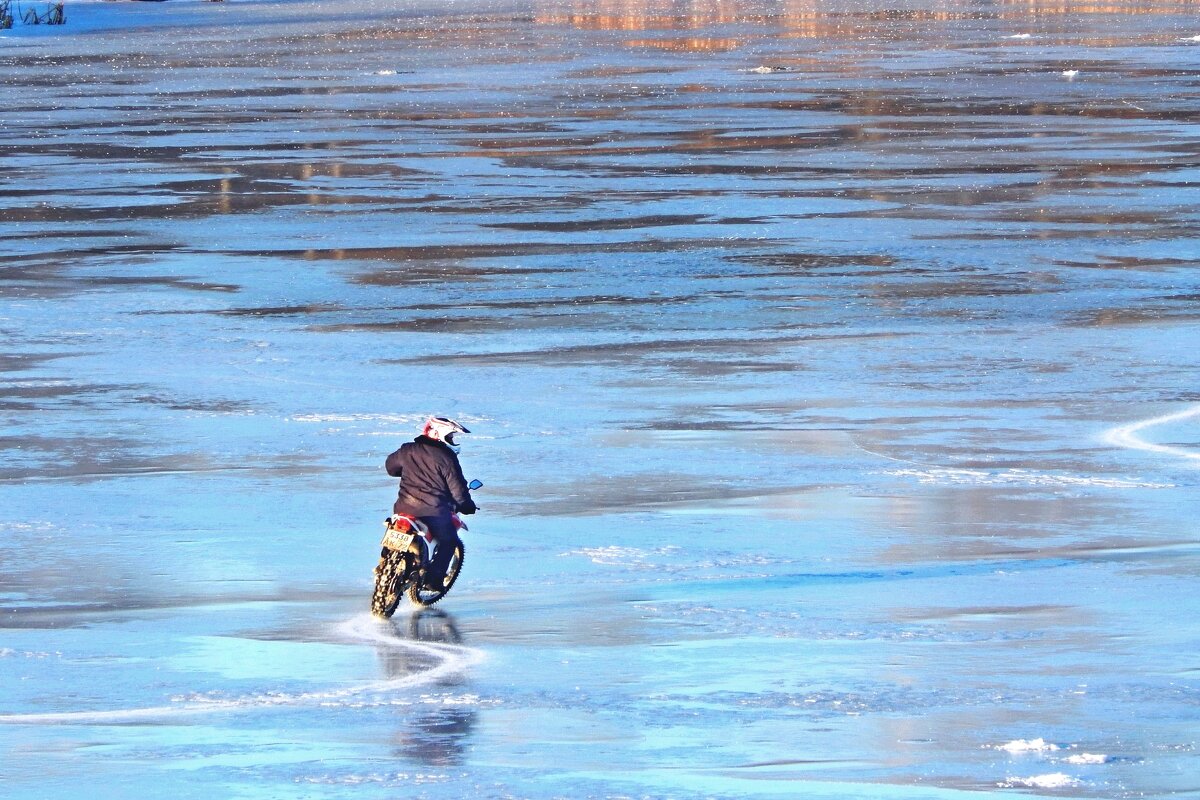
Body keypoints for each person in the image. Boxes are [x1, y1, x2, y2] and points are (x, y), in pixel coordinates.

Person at [385, 416, 477, 589]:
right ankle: (432, 582)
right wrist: (467, 506)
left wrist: (409, 470)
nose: (451, 440)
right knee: (449, 541)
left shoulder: (408, 449)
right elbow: (458, 489)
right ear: (438, 434)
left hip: (403, 508)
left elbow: (391, 468)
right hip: (433, 512)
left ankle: (387, 562)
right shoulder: (446, 457)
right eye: (450, 437)